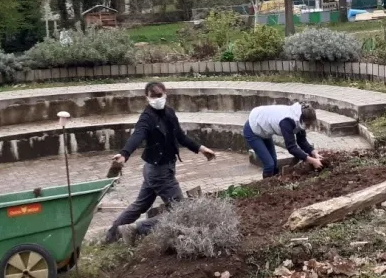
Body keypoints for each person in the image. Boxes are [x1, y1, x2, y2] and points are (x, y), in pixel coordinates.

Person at [104, 82, 216, 243]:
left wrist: (200, 148)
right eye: (153, 96)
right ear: (146, 98)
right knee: (182, 212)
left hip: (155, 169)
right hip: (159, 173)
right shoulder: (147, 117)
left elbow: (180, 136)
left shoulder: (169, 112)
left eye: (159, 95)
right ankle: (137, 228)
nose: (157, 99)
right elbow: (138, 135)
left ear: (165, 94)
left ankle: (111, 236)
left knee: (140, 205)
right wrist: (124, 154)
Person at [242, 102, 322, 178]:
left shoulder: (299, 119)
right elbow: (291, 148)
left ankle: (275, 185)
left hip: (264, 130)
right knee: (269, 165)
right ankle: (266, 189)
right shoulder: (287, 121)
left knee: (274, 161)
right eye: (308, 124)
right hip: (252, 129)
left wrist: (313, 152)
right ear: (303, 119)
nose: (308, 127)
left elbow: (302, 141)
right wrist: (312, 161)